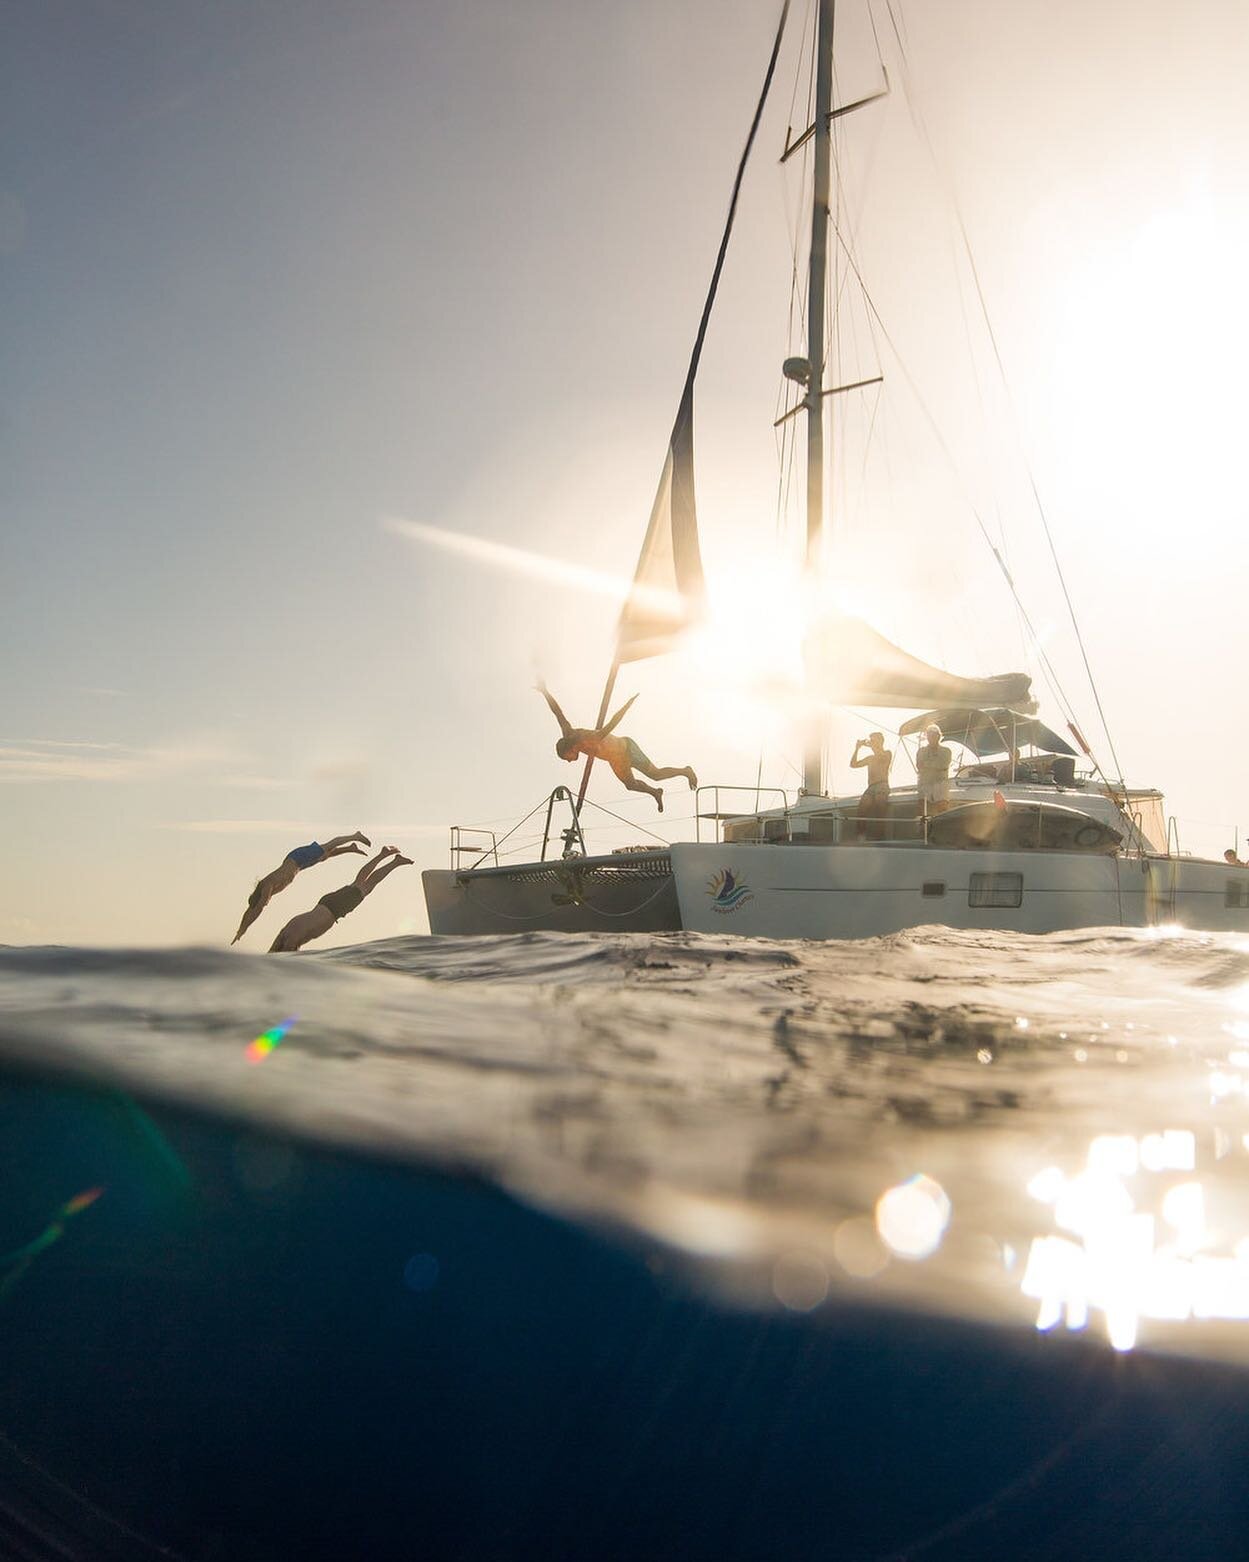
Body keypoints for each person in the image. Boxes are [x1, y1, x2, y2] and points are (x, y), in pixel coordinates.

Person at [536, 682, 696, 812]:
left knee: (655, 774)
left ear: (570, 750)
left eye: (567, 758)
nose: (570, 762)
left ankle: (685, 771)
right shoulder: (567, 732)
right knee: (630, 785)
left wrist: (626, 706)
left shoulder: (590, 738)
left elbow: (611, 724)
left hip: (627, 748)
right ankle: (655, 792)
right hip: (616, 761)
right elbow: (557, 712)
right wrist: (545, 691)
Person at [232, 832, 371, 944]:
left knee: (328, 846)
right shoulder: (266, 892)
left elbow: (259, 907)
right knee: (324, 856)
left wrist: (248, 921)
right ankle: (350, 848)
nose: (266, 902)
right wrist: (241, 930)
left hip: (297, 857)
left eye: (263, 900)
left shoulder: (266, 885)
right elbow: (251, 911)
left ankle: (355, 836)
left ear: (259, 895)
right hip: (299, 865)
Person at [268, 847, 412, 954]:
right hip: (325, 905)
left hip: (333, 909)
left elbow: (285, 953)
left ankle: (393, 862)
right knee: (359, 883)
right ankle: (384, 855)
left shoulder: (288, 941)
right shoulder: (285, 935)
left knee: (366, 886)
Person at [850, 732, 892, 840]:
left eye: (874, 740)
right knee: (861, 809)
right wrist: (857, 748)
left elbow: (882, 757)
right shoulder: (870, 758)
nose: (872, 742)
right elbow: (853, 764)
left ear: (880, 741)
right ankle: (861, 836)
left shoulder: (887, 753)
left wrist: (872, 745)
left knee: (880, 805)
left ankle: (880, 836)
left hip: (882, 784)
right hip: (871, 787)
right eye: (871, 740)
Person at [915, 724, 953, 817]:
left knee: (942, 808)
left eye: (934, 735)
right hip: (925, 783)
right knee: (922, 809)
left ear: (939, 736)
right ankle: (924, 829)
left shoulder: (946, 751)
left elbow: (944, 765)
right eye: (929, 735)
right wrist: (935, 764)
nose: (931, 737)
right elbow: (919, 766)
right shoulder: (921, 751)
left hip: (940, 783)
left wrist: (927, 764)